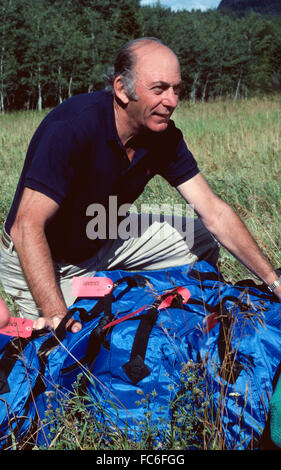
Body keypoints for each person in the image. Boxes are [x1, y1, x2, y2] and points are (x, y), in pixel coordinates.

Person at [0, 37, 280, 334]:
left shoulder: (163, 137)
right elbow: (26, 226)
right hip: (41, 260)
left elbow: (214, 212)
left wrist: (273, 281)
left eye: (177, 89)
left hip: (104, 235)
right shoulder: (74, 127)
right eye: (159, 89)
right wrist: (57, 315)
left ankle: (201, 309)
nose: (171, 101)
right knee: (78, 338)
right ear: (122, 89)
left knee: (200, 237)